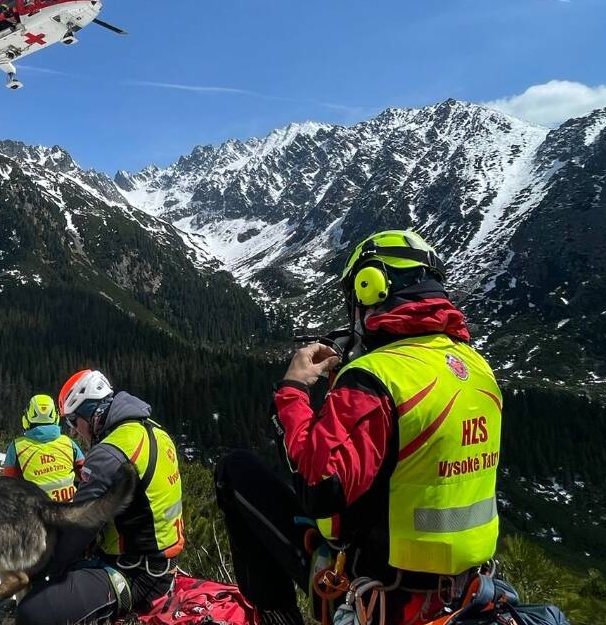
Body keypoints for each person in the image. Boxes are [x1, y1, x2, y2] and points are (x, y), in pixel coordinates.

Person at [214, 230, 502, 625]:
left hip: (381, 595)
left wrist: (293, 389)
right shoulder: (476, 369)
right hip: (465, 591)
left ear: (370, 286)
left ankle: (276, 617)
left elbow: (319, 488)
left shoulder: (375, 379)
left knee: (236, 471)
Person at [16, 370, 185, 625]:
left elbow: (76, 529)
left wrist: (39, 572)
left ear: (91, 414)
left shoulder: (110, 452)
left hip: (135, 575)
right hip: (158, 566)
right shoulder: (155, 431)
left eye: (74, 421)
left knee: (32, 611)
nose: (74, 432)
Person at [1, 393, 85, 503]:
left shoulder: (17, 447)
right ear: (55, 416)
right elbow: (86, 476)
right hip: (69, 510)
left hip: (35, 512)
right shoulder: (68, 443)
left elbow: (8, 485)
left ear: (27, 418)